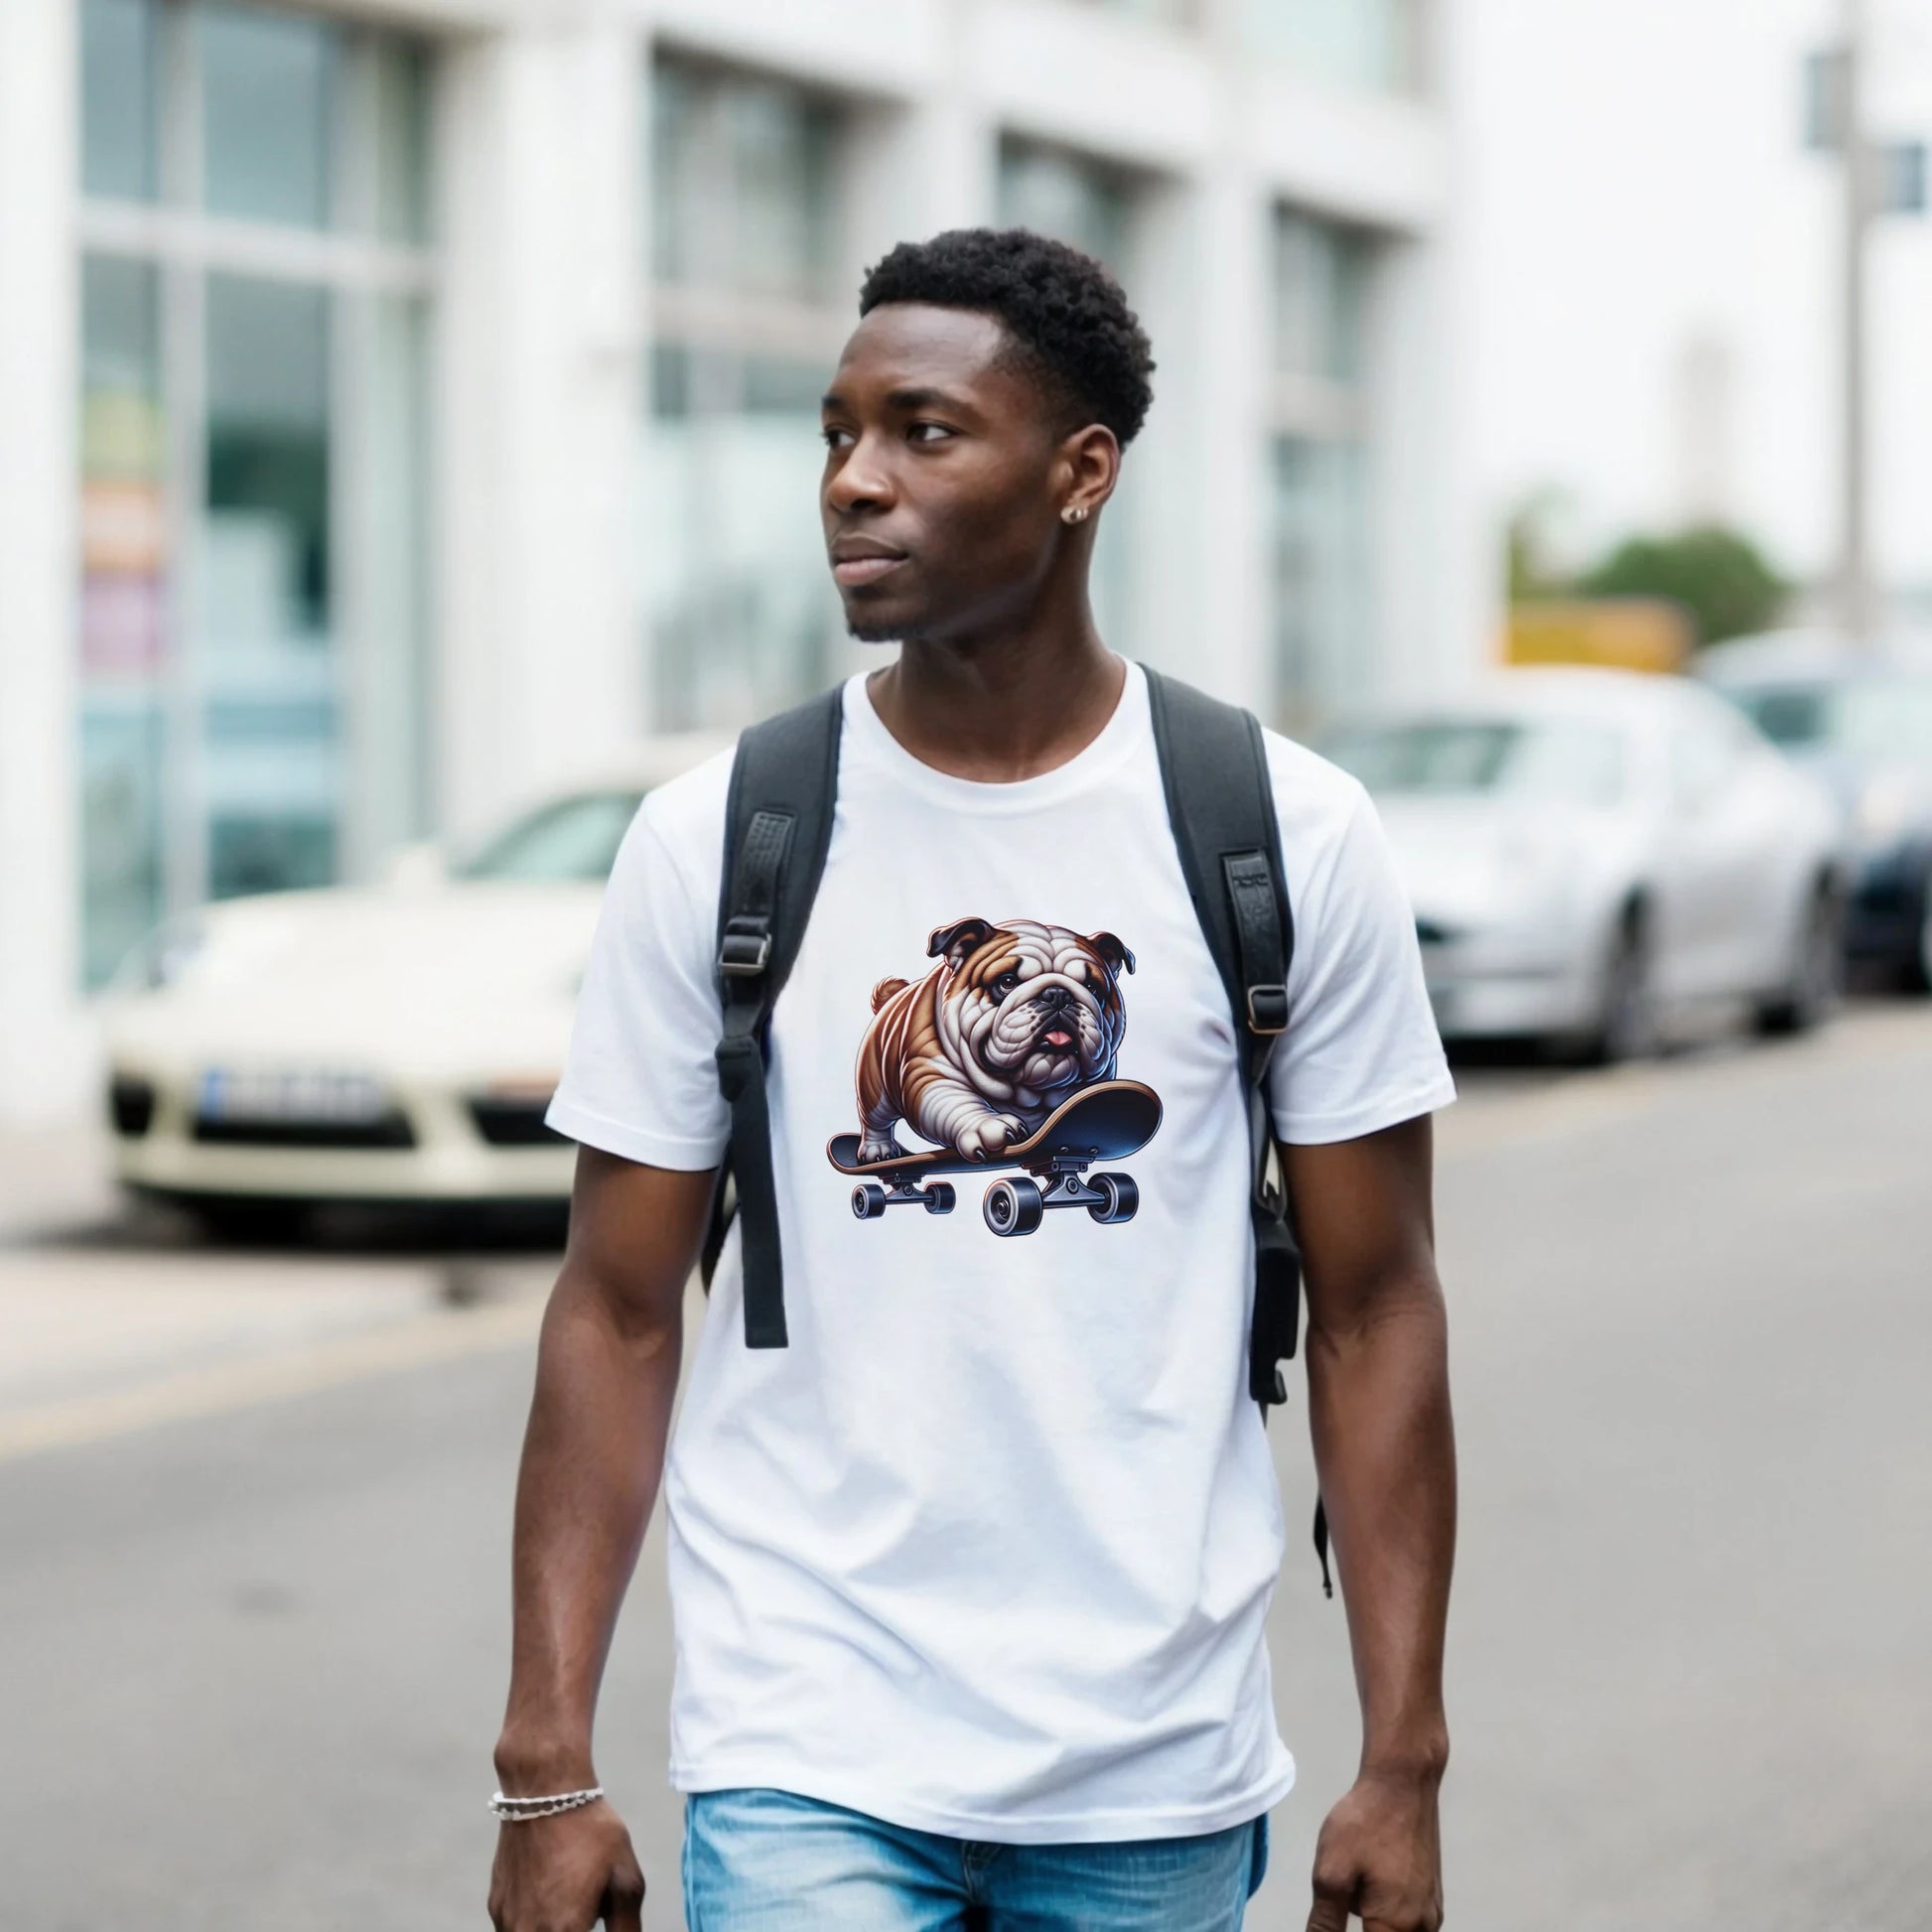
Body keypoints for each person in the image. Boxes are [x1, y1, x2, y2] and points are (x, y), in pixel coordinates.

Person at [487, 227, 1456, 1932]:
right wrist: (544, 1761)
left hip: (1150, 1749)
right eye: (834, 433)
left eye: (922, 431)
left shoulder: (1281, 833)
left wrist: (1403, 1760)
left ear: (1081, 472)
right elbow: (618, 1310)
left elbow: (1375, 1307)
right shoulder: (719, 834)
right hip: (807, 1727)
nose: (853, 483)